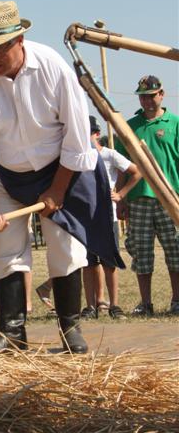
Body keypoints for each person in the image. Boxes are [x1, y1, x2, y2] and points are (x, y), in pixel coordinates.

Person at [0, 0, 122, 353]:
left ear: (19, 41)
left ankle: (69, 329)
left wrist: (57, 190)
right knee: (5, 249)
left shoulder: (53, 67)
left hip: (59, 168)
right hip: (4, 175)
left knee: (64, 246)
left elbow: (78, 139)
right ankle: (12, 332)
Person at [115, 75, 179, 316]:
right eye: (143, 96)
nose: (148, 101)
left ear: (162, 95)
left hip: (170, 196)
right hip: (139, 198)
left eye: (152, 96)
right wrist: (121, 198)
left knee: (175, 250)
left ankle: (177, 300)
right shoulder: (130, 126)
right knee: (141, 252)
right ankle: (145, 303)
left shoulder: (175, 123)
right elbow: (123, 165)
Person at [81, 116, 140, 320]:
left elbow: (136, 172)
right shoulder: (78, 156)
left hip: (108, 217)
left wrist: (121, 194)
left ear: (96, 134)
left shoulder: (109, 155)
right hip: (85, 217)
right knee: (88, 263)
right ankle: (90, 306)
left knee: (109, 263)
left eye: (86, 132)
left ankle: (114, 305)